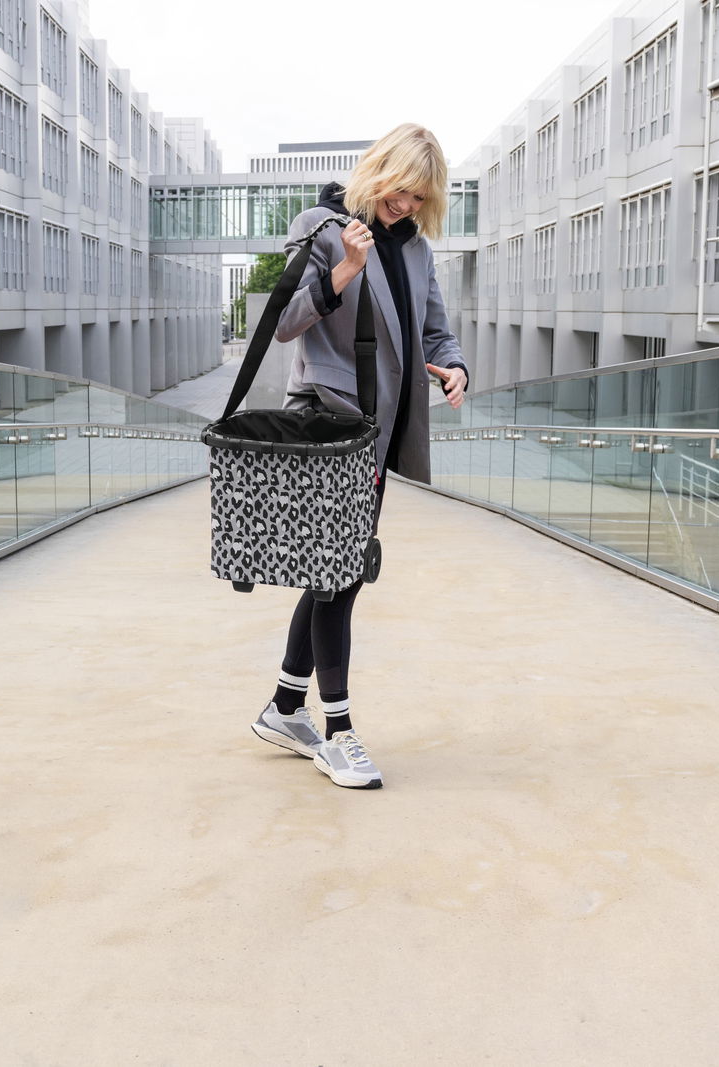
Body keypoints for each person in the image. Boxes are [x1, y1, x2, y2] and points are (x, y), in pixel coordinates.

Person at [248, 123, 468, 789]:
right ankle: (338, 732)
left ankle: (288, 707)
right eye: (401, 191)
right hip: (326, 420)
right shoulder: (322, 224)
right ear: (378, 173)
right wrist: (344, 266)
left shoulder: (418, 250)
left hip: (377, 428)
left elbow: (433, 327)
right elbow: (282, 323)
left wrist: (452, 365)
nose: (406, 206)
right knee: (339, 575)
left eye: (419, 198)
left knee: (331, 570)